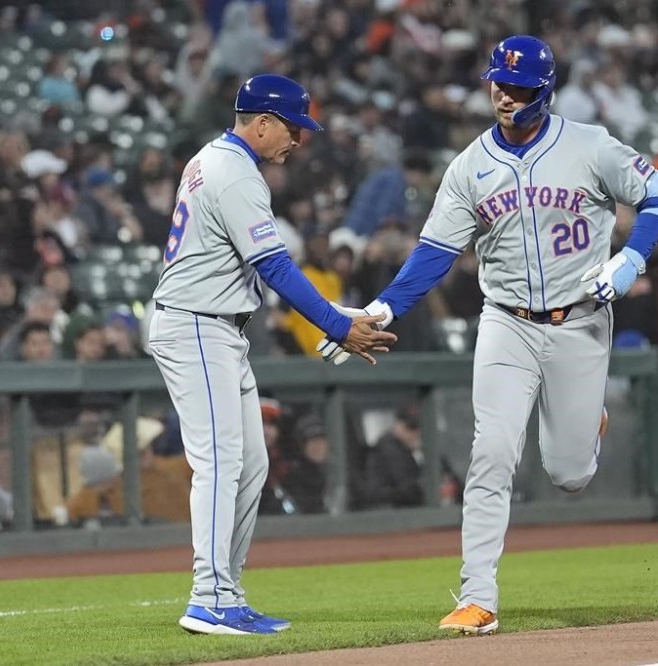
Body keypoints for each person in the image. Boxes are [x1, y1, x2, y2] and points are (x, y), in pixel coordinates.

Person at [316, 35, 658, 635]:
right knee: (490, 452)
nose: (503, 93)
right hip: (506, 321)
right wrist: (384, 308)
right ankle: (478, 596)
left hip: (581, 321)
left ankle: (583, 422)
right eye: (498, 81)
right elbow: (435, 253)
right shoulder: (470, 166)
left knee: (569, 474)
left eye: (517, 86)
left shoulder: (590, 145)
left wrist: (630, 260)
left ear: (545, 91)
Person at [147, 73, 397, 637]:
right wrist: (337, 324)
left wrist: (334, 314)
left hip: (217, 326)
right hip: (195, 323)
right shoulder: (235, 172)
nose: (297, 139)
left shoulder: (216, 159)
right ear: (261, 123)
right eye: (291, 127)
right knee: (219, 463)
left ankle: (226, 590)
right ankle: (208, 596)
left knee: (251, 465)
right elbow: (277, 267)